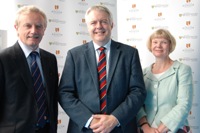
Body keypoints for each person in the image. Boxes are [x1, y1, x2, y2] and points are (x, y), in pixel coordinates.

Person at [58, 5, 146, 133]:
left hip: (120, 127)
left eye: (104, 21)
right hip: (84, 128)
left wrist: (115, 119)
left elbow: (138, 91)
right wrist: (89, 120)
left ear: (112, 24)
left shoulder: (130, 53)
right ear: (88, 27)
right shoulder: (74, 55)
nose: (99, 26)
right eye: (93, 22)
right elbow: (65, 93)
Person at [0, 5, 58, 133]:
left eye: (38, 26)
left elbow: (53, 100)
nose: (34, 31)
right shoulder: (3, 59)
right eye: (28, 26)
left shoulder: (50, 59)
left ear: (44, 30)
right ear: (16, 28)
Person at [137, 29, 193, 133]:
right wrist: (145, 127)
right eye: (155, 42)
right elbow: (136, 103)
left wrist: (160, 130)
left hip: (174, 129)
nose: (158, 45)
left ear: (170, 45)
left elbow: (184, 104)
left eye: (163, 42)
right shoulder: (143, 73)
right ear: (151, 45)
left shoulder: (182, 70)